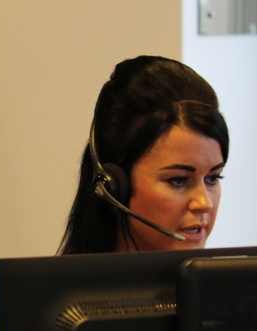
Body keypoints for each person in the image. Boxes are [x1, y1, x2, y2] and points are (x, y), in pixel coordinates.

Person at [58, 55, 229, 254]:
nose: (205, 203)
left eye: (213, 178)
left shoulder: (225, 284)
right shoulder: (63, 285)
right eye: (178, 180)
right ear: (114, 188)